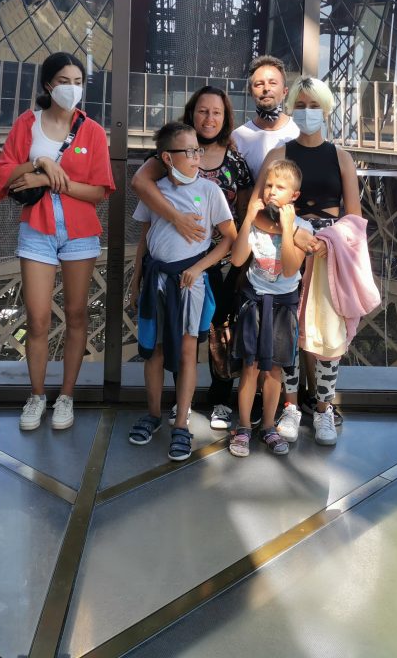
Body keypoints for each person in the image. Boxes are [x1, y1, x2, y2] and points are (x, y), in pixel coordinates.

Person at [0, 52, 116, 431]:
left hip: (79, 233)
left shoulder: (92, 131)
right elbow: (4, 173)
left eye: (78, 81)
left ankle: (66, 395)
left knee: (78, 314)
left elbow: (100, 190)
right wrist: (38, 164)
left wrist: (49, 180)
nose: (72, 88)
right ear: (49, 85)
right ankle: (36, 395)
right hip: (37, 230)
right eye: (64, 80)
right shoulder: (27, 124)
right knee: (38, 318)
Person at [129, 86, 254, 429]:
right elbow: (144, 217)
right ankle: (163, 411)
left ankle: (208, 406)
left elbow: (239, 223)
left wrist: (231, 262)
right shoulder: (162, 170)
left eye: (216, 112)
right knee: (162, 345)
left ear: (225, 116)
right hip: (164, 269)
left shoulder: (226, 171)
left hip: (210, 266)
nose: (209, 118)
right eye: (202, 111)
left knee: (210, 337)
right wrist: (137, 274)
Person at [255, 76, 361, 446]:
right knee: (289, 326)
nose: (306, 112)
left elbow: (355, 216)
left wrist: (330, 241)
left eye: (313, 106)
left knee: (328, 332)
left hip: (329, 250)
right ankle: (291, 405)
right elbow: (256, 208)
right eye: (300, 105)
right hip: (288, 244)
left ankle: (324, 408)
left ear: (326, 109)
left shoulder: (340, 157)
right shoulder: (279, 155)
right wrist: (294, 234)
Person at [227, 159, 314, 457]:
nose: (272, 191)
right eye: (268, 185)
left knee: (274, 368)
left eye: (280, 187)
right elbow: (238, 260)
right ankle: (243, 426)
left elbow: (290, 270)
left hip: (282, 305)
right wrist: (249, 218)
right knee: (249, 367)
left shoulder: (303, 227)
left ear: (294, 196)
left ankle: (268, 425)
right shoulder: (257, 221)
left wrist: (288, 228)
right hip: (253, 301)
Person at [234, 55, 300, 180]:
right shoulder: (238, 138)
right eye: (259, 84)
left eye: (273, 83)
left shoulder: (299, 131)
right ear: (250, 91)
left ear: (285, 91)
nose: (266, 89)